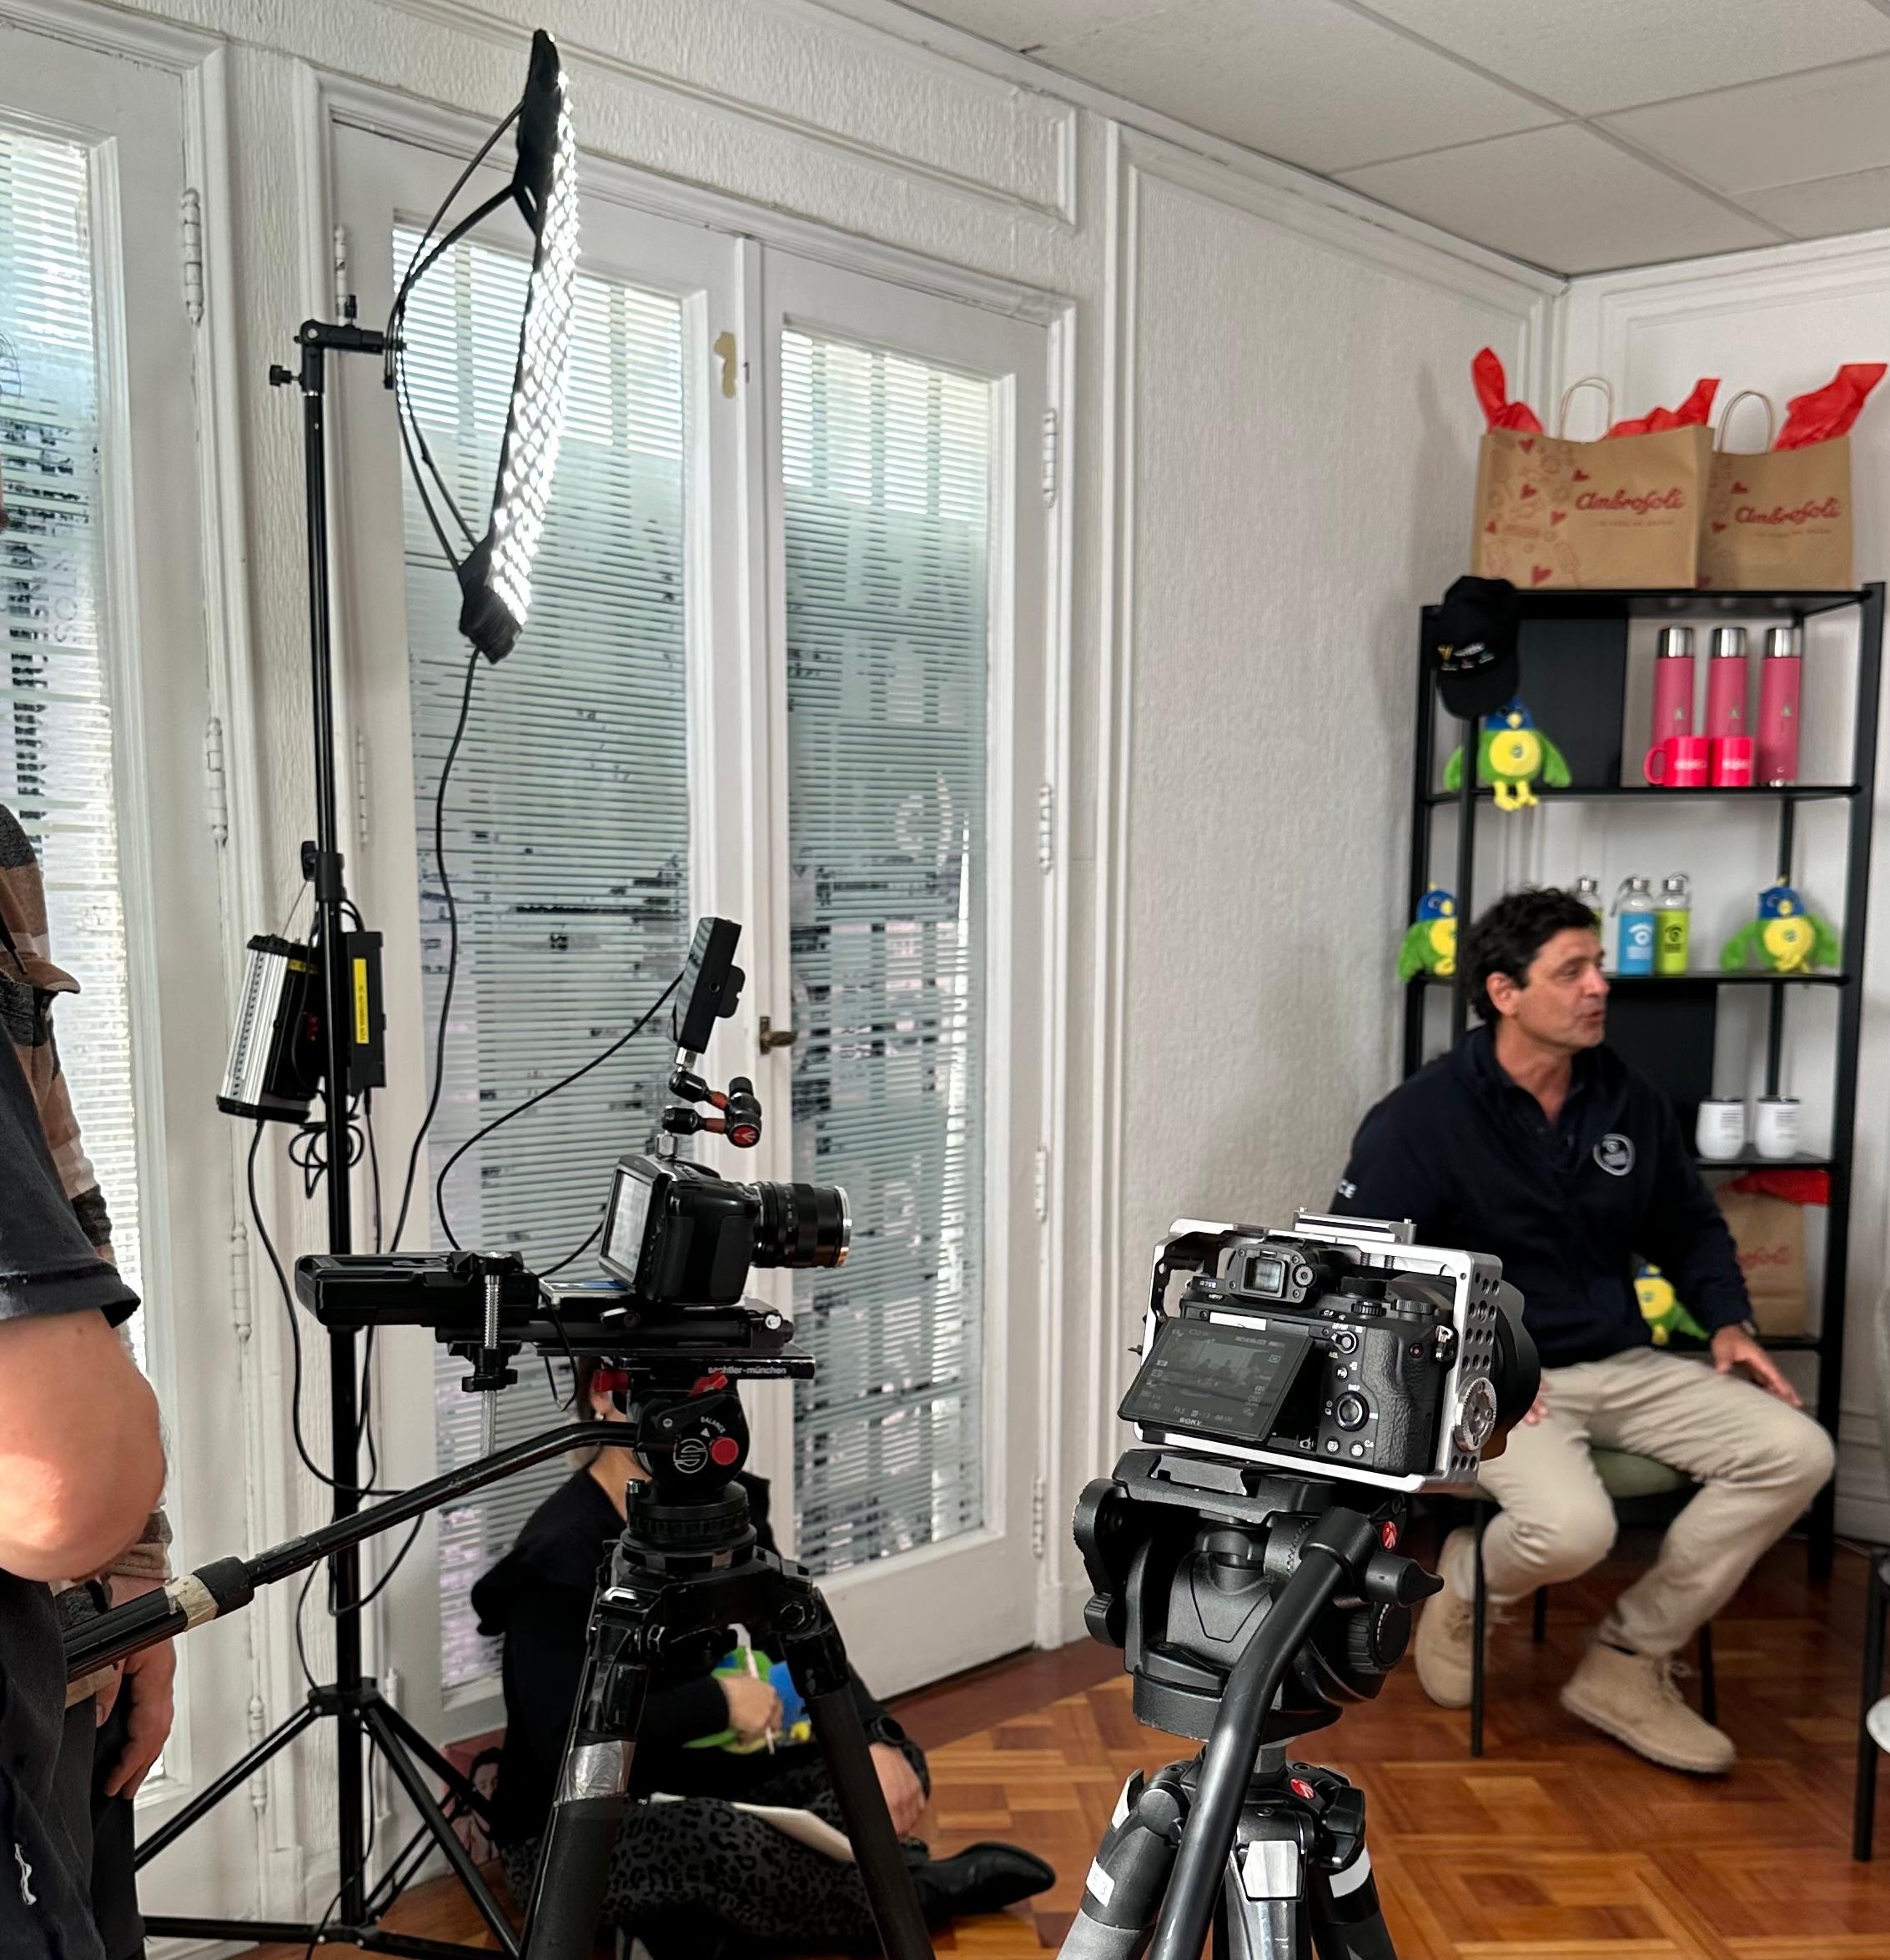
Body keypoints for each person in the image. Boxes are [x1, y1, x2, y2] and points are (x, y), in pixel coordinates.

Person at [1333, 886, 1833, 1777]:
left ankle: (1629, 1658)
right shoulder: (1421, 1117)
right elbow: (1370, 1270)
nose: (1600, 985)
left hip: (1622, 1358)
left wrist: (1728, 1322)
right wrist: (1474, 1372)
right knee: (1572, 1531)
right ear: (1505, 992)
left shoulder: (1626, 1098)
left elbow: (1687, 1224)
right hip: (1499, 1378)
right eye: (1572, 971)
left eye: (1598, 965)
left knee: (1797, 1452)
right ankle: (1465, 1583)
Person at [472, 1356, 1054, 1956]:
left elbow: (793, 1637)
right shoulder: (555, 1553)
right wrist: (719, 1704)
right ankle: (918, 1890)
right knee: (714, 1837)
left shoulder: (723, 1509)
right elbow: (562, 1743)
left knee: (885, 1770)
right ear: (601, 1395)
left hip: (706, 1775)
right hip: (572, 1829)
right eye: (662, 1392)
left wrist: (870, 1738)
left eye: (703, 1391)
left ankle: (720, 1923)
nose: (685, 1416)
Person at [3, 804, 173, 1960]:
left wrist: (135, 1582)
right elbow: (62, 1478)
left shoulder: (1, 851)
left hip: (60, 1641)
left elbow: (66, 1204)